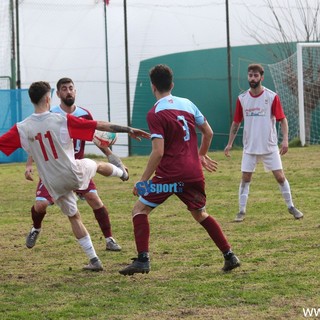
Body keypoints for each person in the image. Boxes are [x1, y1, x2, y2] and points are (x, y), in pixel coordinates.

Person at [0, 81, 150, 271]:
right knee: (94, 164)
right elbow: (99, 125)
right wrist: (128, 129)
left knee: (74, 216)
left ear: (31, 100)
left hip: (53, 184)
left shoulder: (21, 128)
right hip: (73, 173)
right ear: (48, 98)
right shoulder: (61, 120)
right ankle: (122, 174)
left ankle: (94, 259)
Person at [119, 64, 240, 276]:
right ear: (172, 85)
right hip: (193, 172)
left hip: (169, 176)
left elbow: (158, 152)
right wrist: (200, 155)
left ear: (153, 87)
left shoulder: (155, 113)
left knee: (139, 210)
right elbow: (208, 132)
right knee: (200, 214)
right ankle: (229, 255)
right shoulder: (188, 104)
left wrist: (143, 180)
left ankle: (143, 260)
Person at [25, 78, 123, 252]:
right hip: (54, 169)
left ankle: (109, 239)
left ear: (75, 91)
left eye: (71, 88)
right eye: (64, 89)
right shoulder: (52, 115)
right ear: (57, 94)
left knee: (94, 199)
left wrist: (110, 155)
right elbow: (37, 140)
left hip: (77, 169)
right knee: (41, 205)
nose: (68, 91)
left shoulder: (84, 114)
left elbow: (95, 136)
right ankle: (36, 228)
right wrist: (29, 164)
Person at [224, 63, 304, 222]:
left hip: (269, 146)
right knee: (245, 178)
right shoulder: (242, 99)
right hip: (250, 147)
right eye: (250, 75)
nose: (252, 78)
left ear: (261, 77)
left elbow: (282, 120)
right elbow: (236, 123)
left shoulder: (271, 96)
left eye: (255, 75)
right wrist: (229, 143)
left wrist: (286, 140)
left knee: (280, 177)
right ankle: (241, 211)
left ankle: (291, 207)